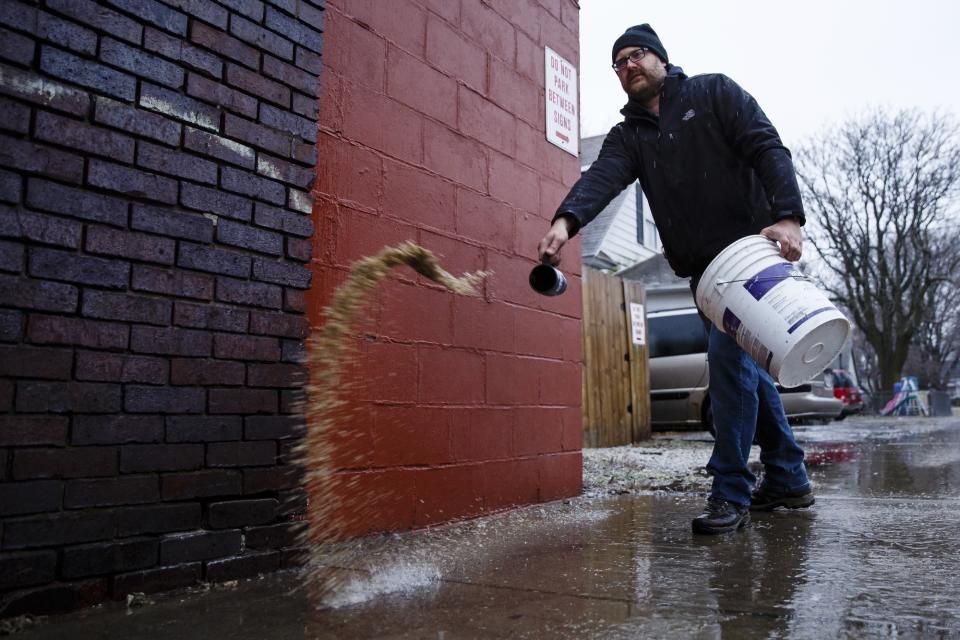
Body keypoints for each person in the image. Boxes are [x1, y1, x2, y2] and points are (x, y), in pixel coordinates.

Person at [538, 24, 814, 535]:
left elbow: (766, 146)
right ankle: (788, 476)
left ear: (661, 58)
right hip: (705, 274)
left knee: (729, 369)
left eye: (636, 55)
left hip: (749, 257)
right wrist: (565, 221)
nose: (628, 67)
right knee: (747, 368)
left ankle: (729, 491)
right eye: (618, 63)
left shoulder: (713, 93)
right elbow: (600, 178)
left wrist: (789, 216)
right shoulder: (630, 136)